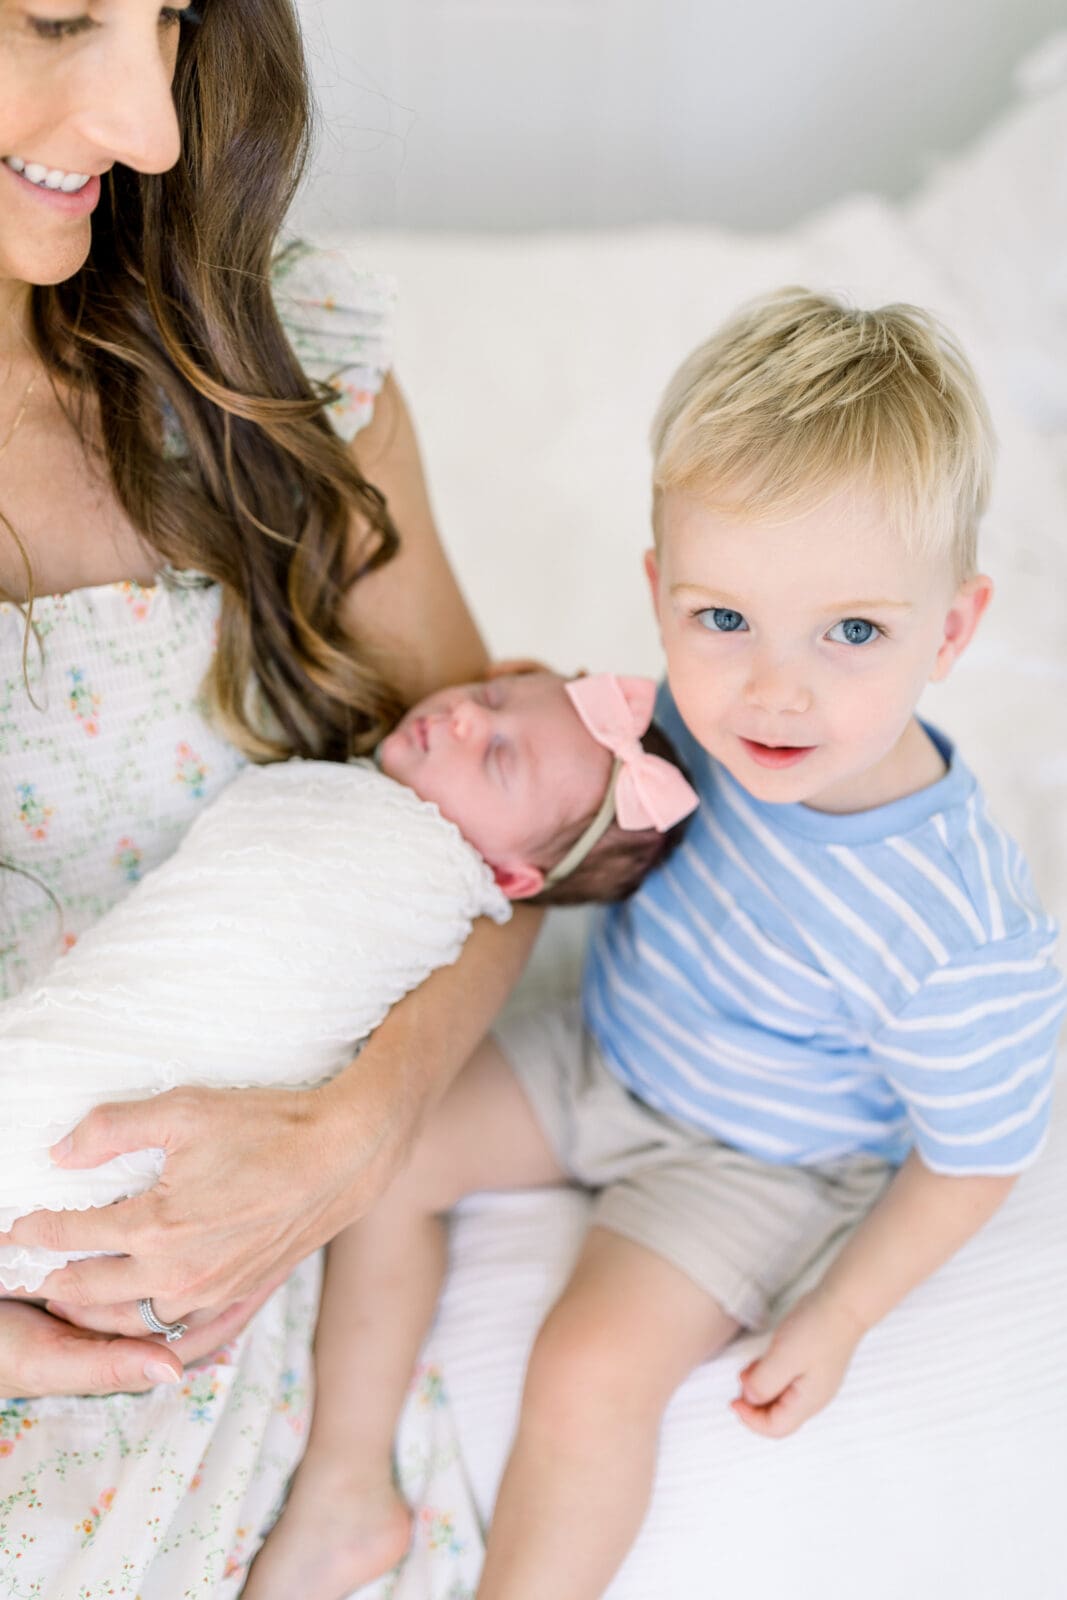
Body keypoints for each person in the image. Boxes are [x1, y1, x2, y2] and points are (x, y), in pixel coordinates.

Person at [242, 289, 1067, 1600]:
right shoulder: (688, 722)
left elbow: (974, 1159)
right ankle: (348, 1486)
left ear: (949, 630)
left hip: (753, 1155)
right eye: (719, 619)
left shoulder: (955, 933)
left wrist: (840, 1312)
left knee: (586, 1373)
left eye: (851, 631)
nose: (772, 689)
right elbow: (553, 779)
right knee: (378, 1154)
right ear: (658, 594)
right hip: (605, 1048)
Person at [0, 1, 543, 1592]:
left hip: (232, 1357)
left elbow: (500, 856)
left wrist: (357, 1136)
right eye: (59, 18)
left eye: (163, 19)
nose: (153, 127)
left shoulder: (270, 371)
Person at [0, 667, 697, 1291]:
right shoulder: (355, 803)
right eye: (492, 695)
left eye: (498, 758)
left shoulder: (418, 886)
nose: (469, 718)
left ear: (512, 878)